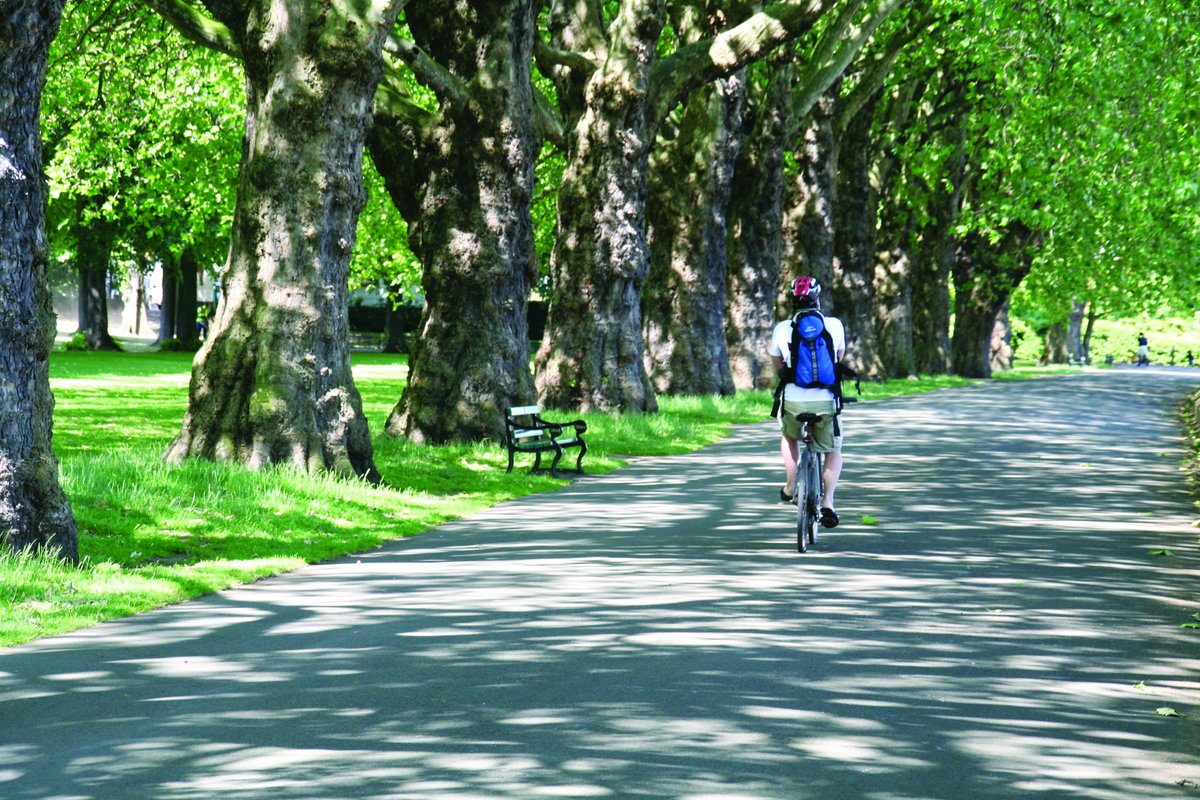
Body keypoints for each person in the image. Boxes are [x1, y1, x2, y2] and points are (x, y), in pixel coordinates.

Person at [768, 276, 846, 528]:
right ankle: (828, 503)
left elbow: (779, 367)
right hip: (825, 400)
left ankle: (791, 487)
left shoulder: (781, 328)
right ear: (817, 300)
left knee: (790, 437)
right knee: (833, 449)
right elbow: (838, 359)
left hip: (793, 400)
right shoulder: (834, 325)